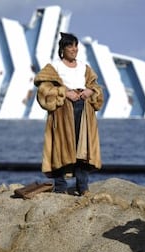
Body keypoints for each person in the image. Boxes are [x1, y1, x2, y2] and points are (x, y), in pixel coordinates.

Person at [33, 32, 104, 195]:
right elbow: (43, 91)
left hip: (84, 110)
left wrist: (89, 90)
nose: (74, 49)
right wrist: (64, 92)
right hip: (62, 112)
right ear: (62, 49)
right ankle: (60, 186)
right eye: (70, 46)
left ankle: (83, 186)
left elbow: (97, 88)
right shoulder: (54, 67)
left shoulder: (84, 67)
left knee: (83, 148)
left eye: (76, 46)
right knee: (60, 147)